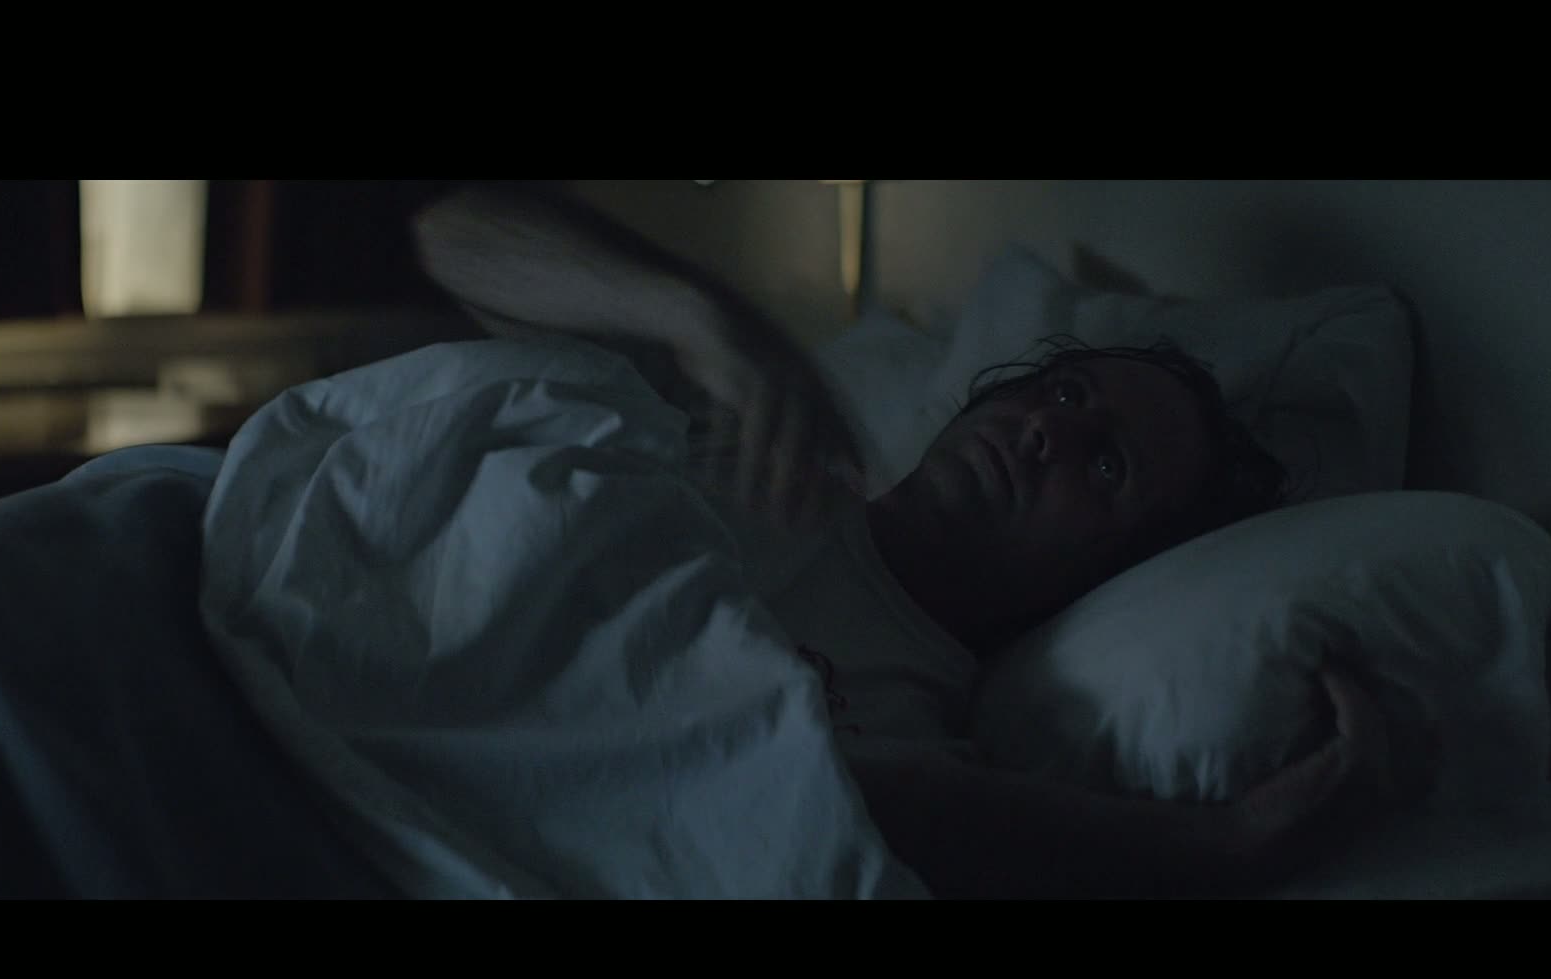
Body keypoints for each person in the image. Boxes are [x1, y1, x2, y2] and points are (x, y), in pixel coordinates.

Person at [410, 181, 1429, 898]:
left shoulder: (925, 739)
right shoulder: (748, 430)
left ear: (1112, 573)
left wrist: (1225, 844)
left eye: (1107, 464)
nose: (1048, 431)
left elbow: (847, 815)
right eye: (1063, 392)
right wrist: (695, 314)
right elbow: (453, 236)